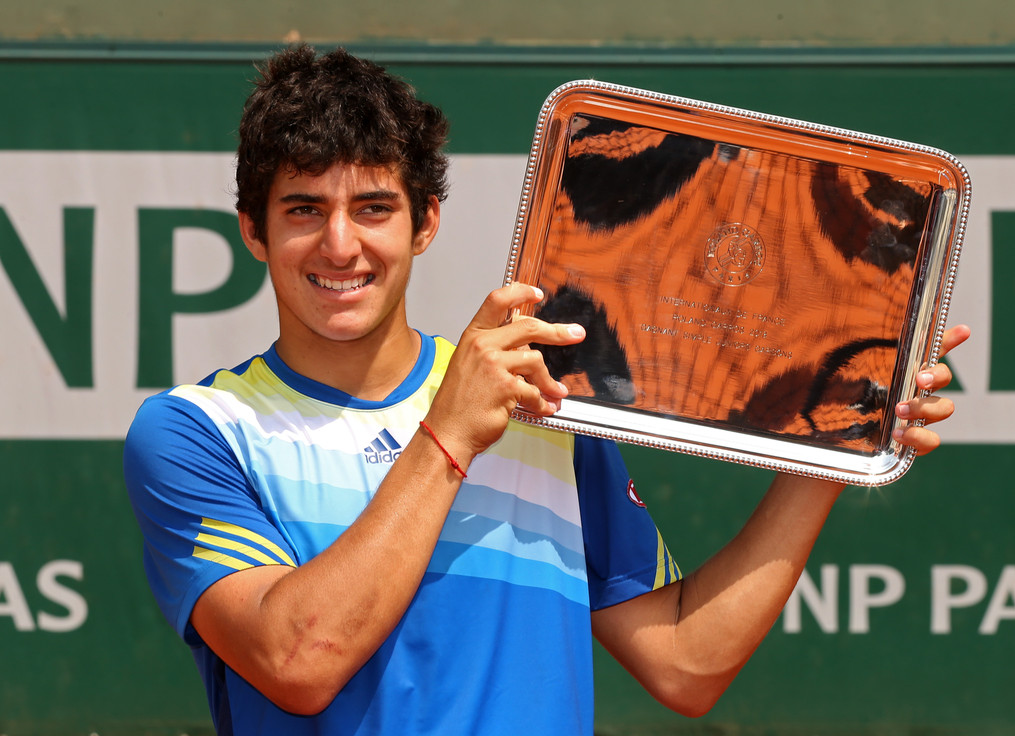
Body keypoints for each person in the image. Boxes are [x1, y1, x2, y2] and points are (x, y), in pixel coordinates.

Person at [123, 44, 970, 735]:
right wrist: (449, 433)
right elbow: (298, 662)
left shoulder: (542, 405)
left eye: (374, 208)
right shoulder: (198, 432)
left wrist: (833, 442)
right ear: (253, 232)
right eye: (304, 209)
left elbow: (684, 663)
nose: (340, 245)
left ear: (426, 222)